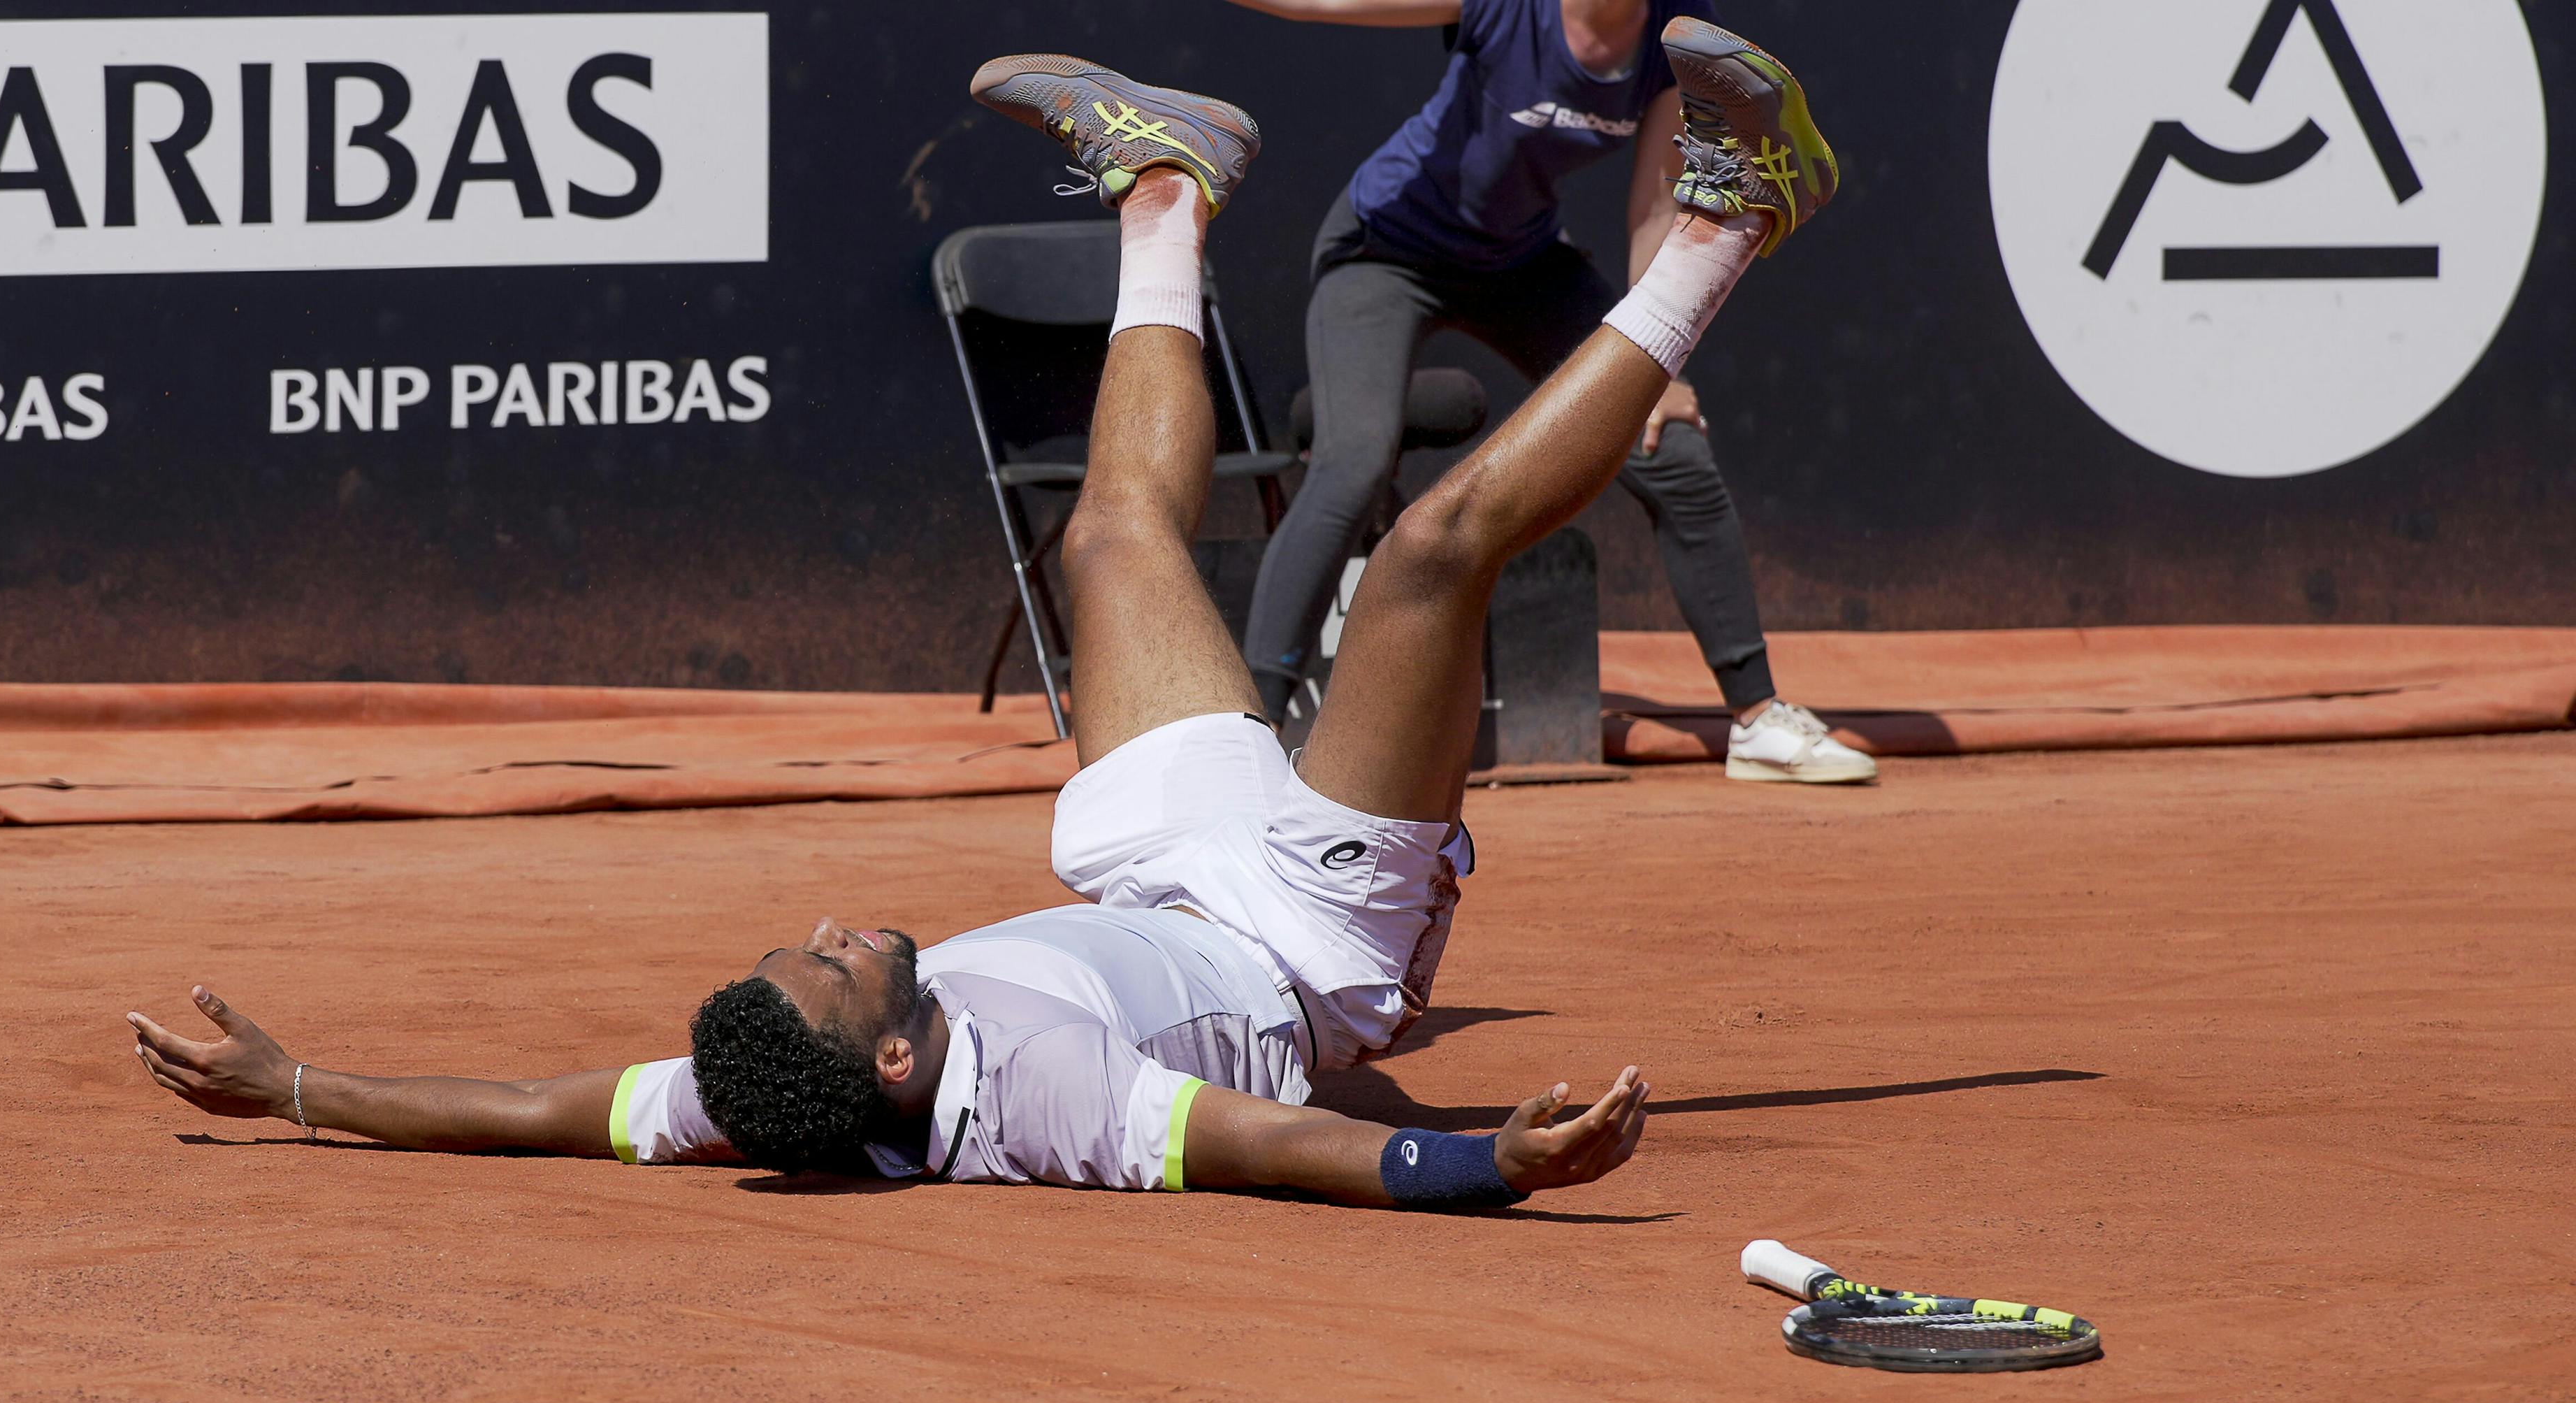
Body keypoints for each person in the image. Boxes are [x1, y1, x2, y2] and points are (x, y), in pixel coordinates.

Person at [129, 23, 1837, 1209]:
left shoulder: (761, 1084)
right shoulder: (1044, 1100)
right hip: (1302, 945)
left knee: (1105, 539)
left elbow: (525, 1109)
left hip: (1147, 864)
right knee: (1431, 553)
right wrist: (1486, 1161)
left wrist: (297, 1086)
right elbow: (1288, 1150)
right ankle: (1727, 224)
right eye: (834, 967)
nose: (831, 925)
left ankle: (1163, 189)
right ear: (890, 1067)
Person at [1223, 0, 1874, 784]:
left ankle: (1758, 721)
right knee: (1354, 466)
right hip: (1385, 248)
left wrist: (1659, 371)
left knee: (1672, 447)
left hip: (1522, 265)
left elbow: (1655, 205)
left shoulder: (1678, 36)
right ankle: (1246, 741)